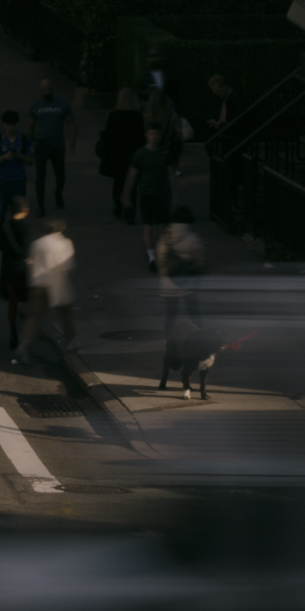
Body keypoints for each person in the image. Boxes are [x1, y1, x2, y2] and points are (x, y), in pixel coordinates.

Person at [158, 206, 210, 397]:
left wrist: (167, 277)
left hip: (169, 285)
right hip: (188, 284)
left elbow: (161, 260)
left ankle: (171, 344)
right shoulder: (192, 238)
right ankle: (199, 339)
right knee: (195, 314)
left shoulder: (166, 236)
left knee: (170, 315)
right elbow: (200, 260)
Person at [22, 217, 78, 364]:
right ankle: (70, 341)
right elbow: (68, 265)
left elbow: (30, 261)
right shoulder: (65, 243)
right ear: (60, 229)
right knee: (65, 313)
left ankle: (24, 345)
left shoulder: (37, 243)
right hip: (57, 283)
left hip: (38, 284)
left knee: (34, 316)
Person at [129, 124, 179, 266]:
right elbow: (132, 175)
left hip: (162, 194)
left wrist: (175, 195)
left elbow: (170, 174)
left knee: (161, 227)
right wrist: (126, 195)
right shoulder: (140, 154)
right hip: (146, 194)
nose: (154, 137)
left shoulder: (164, 153)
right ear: (147, 135)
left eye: (157, 134)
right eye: (151, 133)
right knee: (148, 227)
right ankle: (152, 257)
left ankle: (158, 251)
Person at [95, 90, 147, 221]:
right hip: (132, 154)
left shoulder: (114, 115)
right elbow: (141, 137)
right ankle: (130, 213)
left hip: (117, 155)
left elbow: (108, 135)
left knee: (118, 183)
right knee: (133, 185)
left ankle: (118, 208)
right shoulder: (137, 116)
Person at [0, 197, 34, 351]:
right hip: (21, 272)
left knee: (13, 302)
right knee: (28, 301)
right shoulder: (24, 228)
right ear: (25, 210)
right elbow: (26, 250)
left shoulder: (4, 227)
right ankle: (26, 334)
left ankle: (13, 333)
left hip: (7, 271)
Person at [28, 81, 75, 216]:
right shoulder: (35, 106)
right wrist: (29, 144)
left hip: (57, 145)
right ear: (40, 90)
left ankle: (58, 192)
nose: (46, 92)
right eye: (43, 90)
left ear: (53, 89)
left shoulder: (63, 104)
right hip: (41, 145)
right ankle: (40, 206)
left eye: (48, 89)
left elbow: (71, 123)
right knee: (40, 177)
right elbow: (30, 126)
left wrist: (72, 142)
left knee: (60, 175)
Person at [0, 110, 34, 216]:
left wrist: (20, 156)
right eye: (9, 125)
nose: (12, 128)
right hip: (2, 181)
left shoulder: (23, 139)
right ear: (4, 125)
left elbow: (31, 161)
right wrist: (4, 157)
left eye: (14, 125)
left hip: (19, 181)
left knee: (18, 214)